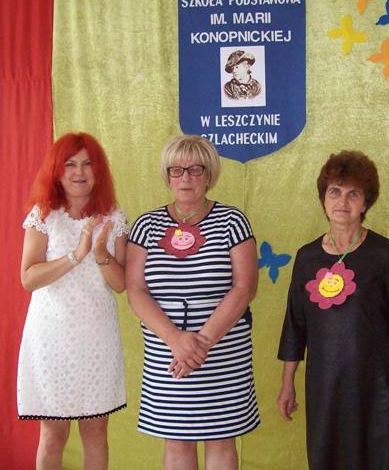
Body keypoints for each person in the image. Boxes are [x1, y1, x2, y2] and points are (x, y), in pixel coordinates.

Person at [277, 150, 389, 470]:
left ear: (366, 202)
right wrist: (288, 382)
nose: (342, 201)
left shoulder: (385, 255)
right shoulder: (306, 258)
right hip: (326, 390)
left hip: (381, 391)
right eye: (335, 191)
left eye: (353, 193)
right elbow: (295, 326)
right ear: (323, 198)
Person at [126, 135, 260, 470]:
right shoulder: (146, 225)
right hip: (167, 352)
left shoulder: (233, 221)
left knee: (221, 439)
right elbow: (136, 291)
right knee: (176, 441)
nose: (185, 177)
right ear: (167, 175)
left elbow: (245, 288)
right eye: (177, 170)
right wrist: (176, 341)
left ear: (209, 174)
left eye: (195, 169)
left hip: (222, 351)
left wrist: (200, 345)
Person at [17, 132, 128, 470]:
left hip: (96, 336)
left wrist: (100, 254)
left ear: (99, 170)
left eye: (87, 164)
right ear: (57, 171)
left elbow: (121, 284)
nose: (79, 172)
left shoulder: (114, 217)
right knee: (53, 434)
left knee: (96, 431)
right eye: (70, 164)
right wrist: (76, 255)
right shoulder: (44, 215)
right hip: (51, 337)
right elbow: (28, 278)